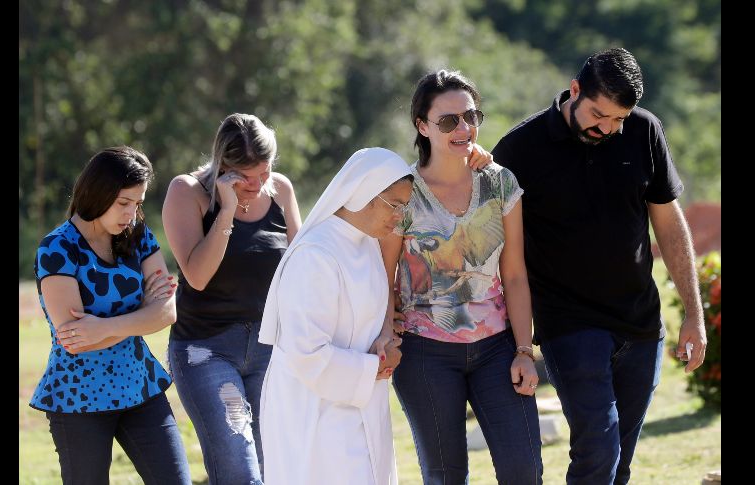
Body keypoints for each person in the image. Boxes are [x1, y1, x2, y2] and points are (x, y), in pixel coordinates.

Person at [491, 47, 707, 485]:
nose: (607, 128)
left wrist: (693, 313)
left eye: (618, 120)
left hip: (641, 324)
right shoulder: (519, 149)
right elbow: (494, 246)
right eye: (598, 114)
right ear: (575, 90)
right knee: (599, 446)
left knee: (618, 462)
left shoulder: (644, 131)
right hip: (568, 325)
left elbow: (668, 223)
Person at [379, 69, 543, 484]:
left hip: (496, 349)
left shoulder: (500, 183)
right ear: (422, 125)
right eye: (448, 120)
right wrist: (385, 334)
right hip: (424, 354)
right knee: (445, 477)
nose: (463, 128)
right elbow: (384, 274)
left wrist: (525, 350)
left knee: (524, 470)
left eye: (470, 116)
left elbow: (516, 274)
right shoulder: (402, 192)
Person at [30, 146, 191, 484]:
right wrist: (141, 315)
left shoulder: (138, 236)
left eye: (138, 203)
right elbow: (76, 339)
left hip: (141, 388)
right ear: (98, 191)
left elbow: (167, 312)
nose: (132, 215)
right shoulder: (57, 248)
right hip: (78, 401)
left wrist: (103, 327)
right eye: (123, 203)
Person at [258, 147, 413, 485]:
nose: (399, 216)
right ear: (365, 194)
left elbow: (371, 316)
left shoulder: (368, 242)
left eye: (405, 207)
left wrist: (385, 340)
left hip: (361, 402)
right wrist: (375, 367)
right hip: (313, 413)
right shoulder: (315, 254)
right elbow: (306, 353)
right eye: (395, 205)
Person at [161, 113, 301, 484]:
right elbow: (198, 275)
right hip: (205, 350)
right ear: (223, 166)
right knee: (240, 470)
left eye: (264, 172)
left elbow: (299, 271)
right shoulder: (186, 192)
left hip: (270, 347)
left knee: (278, 469)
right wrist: (226, 210)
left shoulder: (281, 190)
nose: (257, 185)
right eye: (246, 176)